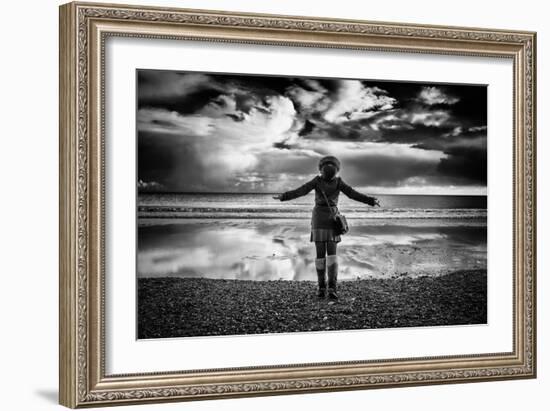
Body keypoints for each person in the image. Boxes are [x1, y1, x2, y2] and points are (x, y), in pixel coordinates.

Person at [273, 156, 380, 300]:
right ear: (337, 170)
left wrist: (284, 196)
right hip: (331, 218)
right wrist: (371, 201)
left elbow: (301, 191)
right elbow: (353, 194)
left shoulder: (317, 181)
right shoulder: (338, 182)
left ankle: (322, 289)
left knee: (320, 255)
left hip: (319, 218)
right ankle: (332, 289)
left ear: (321, 169)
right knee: (332, 255)